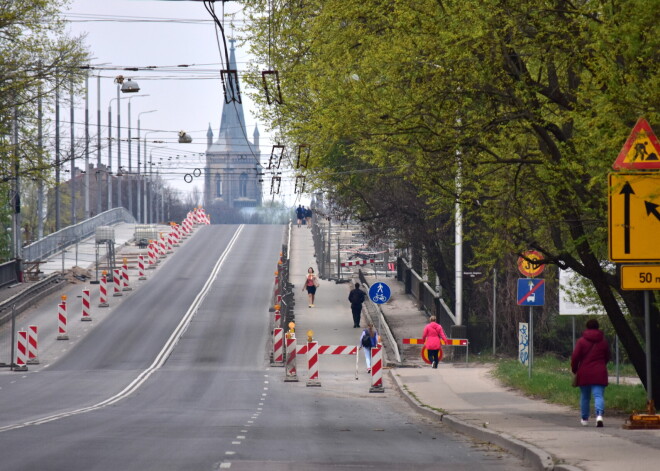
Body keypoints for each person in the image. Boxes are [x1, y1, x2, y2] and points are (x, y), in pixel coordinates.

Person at [571, 318, 610, 427]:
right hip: (599, 372)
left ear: (587, 327)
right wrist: (601, 365)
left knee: (585, 396)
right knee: (598, 395)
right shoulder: (603, 342)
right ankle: (599, 416)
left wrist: (575, 369)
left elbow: (575, 357)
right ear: (598, 327)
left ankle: (584, 418)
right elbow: (607, 356)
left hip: (585, 372)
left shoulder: (582, 341)